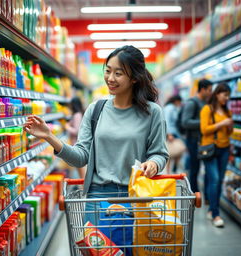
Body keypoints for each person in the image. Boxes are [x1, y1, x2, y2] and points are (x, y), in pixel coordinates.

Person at [23, 45, 169, 223]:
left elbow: (160, 153)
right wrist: (49, 136)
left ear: (135, 78)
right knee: (99, 250)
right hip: (97, 196)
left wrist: (154, 163)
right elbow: (80, 157)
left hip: (137, 194)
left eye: (119, 73)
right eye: (108, 71)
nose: (110, 78)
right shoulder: (95, 110)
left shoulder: (152, 112)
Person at [200, 83, 233, 227]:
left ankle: (212, 208)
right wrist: (222, 123)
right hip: (210, 149)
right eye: (225, 95)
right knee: (215, 179)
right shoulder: (208, 109)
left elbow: (229, 132)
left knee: (219, 181)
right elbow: (204, 129)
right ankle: (215, 214)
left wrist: (230, 126)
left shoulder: (227, 111)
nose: (227, 98)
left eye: (228, 96)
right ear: (218, 94)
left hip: (224, 149)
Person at [181, 79, 213, 198]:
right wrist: (204, 123)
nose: (211, 92)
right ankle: (194, 194)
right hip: (194, 141)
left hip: (204, 141)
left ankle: (205, 196)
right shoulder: (192, 103)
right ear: (203, 89)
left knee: (205, 168)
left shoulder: (205, 103)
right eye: (209, 90)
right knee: (195, 168)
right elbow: (185, 122)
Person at [65, 96, 86, 179]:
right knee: (79, 168)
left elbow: (76, 131)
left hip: (76, 143)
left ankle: (83, 187)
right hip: (76, 143)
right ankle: (83, 185)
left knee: (80, 168)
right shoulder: (79, 113)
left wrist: (67, 127)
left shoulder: (77, 115)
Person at [164, 95, 185, 173]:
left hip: (173, 133)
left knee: (174, 151)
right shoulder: (170, 108)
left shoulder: (172, 108)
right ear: (176, 101)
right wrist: (169, 134)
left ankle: (171, 171)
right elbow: (166, 120)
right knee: (169, 153)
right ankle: (169, 172)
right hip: (171, 133)